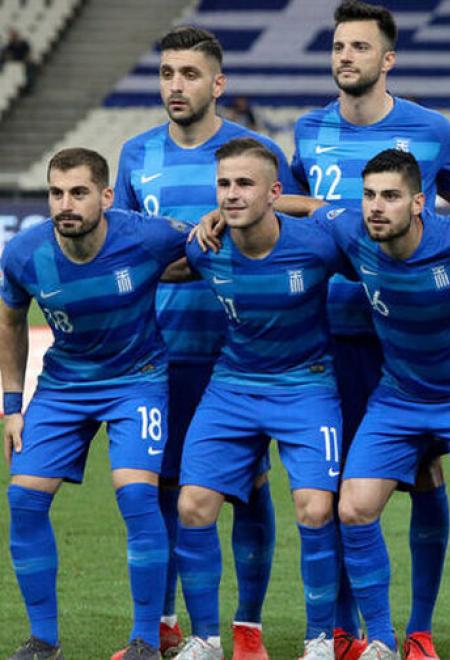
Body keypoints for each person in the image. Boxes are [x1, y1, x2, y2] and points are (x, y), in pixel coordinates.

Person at [289, 3, 450, 656]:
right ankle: (347, 629)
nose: (345, 56)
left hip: (414, 342)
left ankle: (420, 630)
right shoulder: (307, 130)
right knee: (338, 488)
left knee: (427, 476)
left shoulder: (430, 130)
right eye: (338, 46)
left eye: (359, 46)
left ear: (388, 59)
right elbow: (296, 216)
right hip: (331, 335)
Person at [114, 26, 298, 659]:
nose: (176, 85)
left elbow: (282, 240)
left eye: (190, 74)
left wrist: (202, 253)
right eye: (167, 73)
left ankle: (247, 629)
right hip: (161, 350)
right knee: (166, 488)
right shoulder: (136, 154)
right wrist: (194, 254)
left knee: (249, 487)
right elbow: (129, 254)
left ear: (218, 83)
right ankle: (170, 623)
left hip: (242, 353)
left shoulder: (254, 153)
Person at [1, 148, 193, 660]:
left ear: (106, 197)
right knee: (23, 500)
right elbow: (10, 321)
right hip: (64, 386)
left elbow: (206, 243)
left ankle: (146, 640)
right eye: (56, 193)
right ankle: (43, 640)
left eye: (79, 193)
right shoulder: (23, 254)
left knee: (137, 496)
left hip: (137, 381)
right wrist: (12, 406)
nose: (66, 204)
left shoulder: (146, 235)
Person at [324, 149, 450, 660]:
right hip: (400, 397)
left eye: (390, 196)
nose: (376, 207)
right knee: (353, 509)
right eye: (369, 195)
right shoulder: (350, 231)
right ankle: (381, 641)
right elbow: (308, 211)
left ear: (419, 203)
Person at [171, 138, 352, 660]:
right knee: (192, 505)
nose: (231, 195)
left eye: (245, 184)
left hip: (306, 386)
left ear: (274, 192)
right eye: (224, 185)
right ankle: (206, 639)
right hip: (233, 385)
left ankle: (319, 639)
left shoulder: (318, 245)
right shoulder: (203, 249)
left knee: (315, 508)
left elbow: (346, 221)